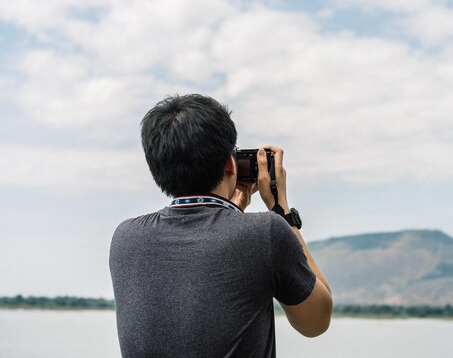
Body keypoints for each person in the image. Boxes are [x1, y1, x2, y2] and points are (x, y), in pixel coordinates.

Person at [109, 94, 332, 358]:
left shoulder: (125, 238)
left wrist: (232, 209)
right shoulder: (267, 232)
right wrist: (281, 210)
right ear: (230, 163)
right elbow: (316, 321)